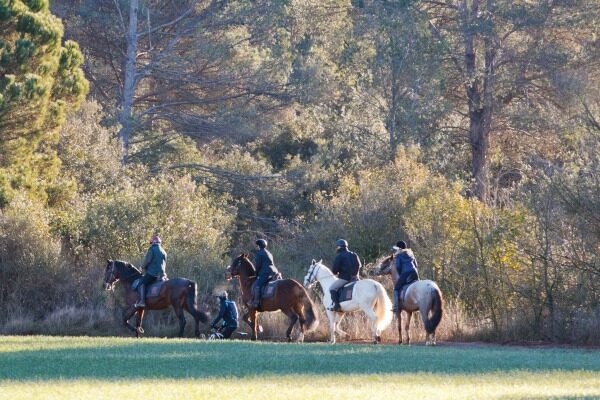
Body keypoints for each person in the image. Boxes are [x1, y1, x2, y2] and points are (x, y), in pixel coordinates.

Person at [134, 235, 167, 308]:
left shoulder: (152, 250)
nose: (151, 244)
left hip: (153, 274)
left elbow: (147, 261)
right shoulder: (164, 252)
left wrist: (141, 267)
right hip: (162, 274)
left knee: (141, 283)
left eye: (151, 243)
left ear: (153, 243)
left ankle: (142, 302)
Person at [329, 239, 361, 311]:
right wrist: (355, 274)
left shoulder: (339, 256)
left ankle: (336, 306)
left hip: (345, 279)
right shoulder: (354, 254)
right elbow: (359, 265)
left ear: (339, 247)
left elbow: (334, 270)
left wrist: (337, 272)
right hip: (355, 278)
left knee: (331, 288)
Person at [392, 240, 420, 313]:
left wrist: (401, 274)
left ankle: (396, 307)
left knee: (396, 289)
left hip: (406, 273)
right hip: (414, 272)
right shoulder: (411, 253)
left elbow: (398, 266)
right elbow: (416, 265)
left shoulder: (398, 255)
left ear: (399, 249)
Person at [251, 239, 279, 308]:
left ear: (259, 246)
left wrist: (256, 273)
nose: (256, 247)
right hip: (275, 271)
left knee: (258, 285)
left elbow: (258, 265)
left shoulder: (259, 253)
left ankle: (256, 302)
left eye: (257, 246)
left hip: (266, 272)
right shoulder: (269, 253)